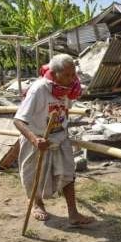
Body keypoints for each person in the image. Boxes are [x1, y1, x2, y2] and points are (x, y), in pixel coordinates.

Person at [14, 54, 95, 226]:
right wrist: (35, 140)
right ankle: (38, 204)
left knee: (68, 174)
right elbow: (18, 120)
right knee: (33, 176)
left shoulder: (69, 87)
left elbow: (65, 109)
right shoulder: (38, 90)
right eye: (67, 75)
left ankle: (73, 214)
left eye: (73, 74)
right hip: (36, 137)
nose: (72, 78)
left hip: (59, 136)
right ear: (55, 73)